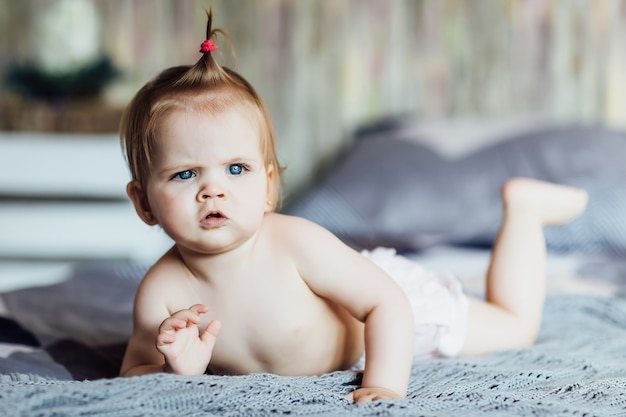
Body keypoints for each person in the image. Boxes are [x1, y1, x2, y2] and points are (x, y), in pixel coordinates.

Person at [119, 10, 589, 404]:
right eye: (185, 174)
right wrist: (173, 369)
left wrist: (383, 383)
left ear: (268, 186)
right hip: (372, 313)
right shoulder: (160, 293)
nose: (213, 191)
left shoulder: (295, 243)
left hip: (391, 320)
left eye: (236, 169)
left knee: (515, 326)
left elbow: (388, 303)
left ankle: (523, 210)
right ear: (144, 204)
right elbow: (132, 375)